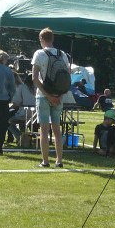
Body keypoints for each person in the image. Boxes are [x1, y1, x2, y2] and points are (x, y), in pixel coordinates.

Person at [31, 28, 68, 168]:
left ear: (41, 39)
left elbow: (34, 78)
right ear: (53, 39)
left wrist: (48, 96)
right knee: (57, 130)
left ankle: (45, 161)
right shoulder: (62, 54)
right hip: (59, 96)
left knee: (44, 130)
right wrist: (59, 96)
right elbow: (67, 79)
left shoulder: (39, 53)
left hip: (43, 96)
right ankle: (59, 161)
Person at [92, 88, 115, 156]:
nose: (113, 122)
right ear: (108, 119)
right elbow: (97, 103)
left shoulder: (112, 128)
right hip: (106, 108)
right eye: (112, 120)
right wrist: (93, 108)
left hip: (111, 109)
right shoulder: (102, 97)